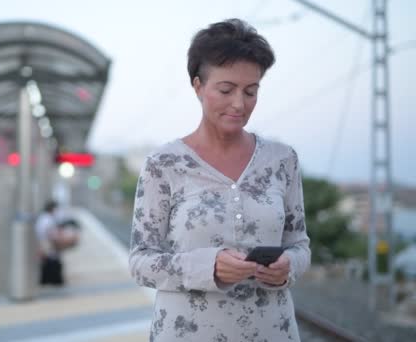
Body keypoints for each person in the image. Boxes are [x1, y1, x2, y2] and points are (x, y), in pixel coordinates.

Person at [128, 19, 311, 341]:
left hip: (272, 331)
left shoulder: (282, 160)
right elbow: (140, 261)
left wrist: (288, 266)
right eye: (226, 90)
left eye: (250, 91)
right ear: (198, 86)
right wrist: (208, 266)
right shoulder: (164, 164)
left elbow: (299, 245)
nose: (239, 104)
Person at [35, 200, 78, 285]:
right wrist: (67, 239)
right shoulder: (47, 220)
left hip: (47, 247)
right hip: (48, 248)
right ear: (52, 209)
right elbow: (52, 235)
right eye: (56, 209)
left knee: (51, 265)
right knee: (52, 266)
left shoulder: (45, 218)